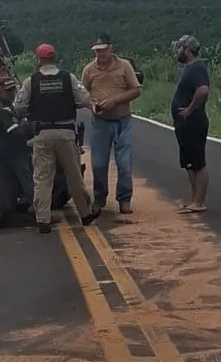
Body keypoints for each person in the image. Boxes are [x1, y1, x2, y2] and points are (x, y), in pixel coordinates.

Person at [13, 43, 96, 233]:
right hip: (66, 133)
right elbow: (84, 99)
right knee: (74, 176)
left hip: (42, 134)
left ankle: (43, 220)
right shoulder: (68, 78)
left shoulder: (31, 81)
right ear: (55, 57)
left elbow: (18, 107)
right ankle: (85, 213)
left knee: (42, 178)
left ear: (38, 59)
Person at [81, 34, 142, 215]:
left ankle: (124, 199)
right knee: (99, 163)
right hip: (100, 121)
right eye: (96, 51)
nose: (99, 55)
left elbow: (136, 90)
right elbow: (82, 93)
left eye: (102, 50)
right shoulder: (89, 69)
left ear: (111, 49)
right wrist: (91, 105)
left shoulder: (124, 66)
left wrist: (115, 100)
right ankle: (99, 198)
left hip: (123, 120)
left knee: (124, 163)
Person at [170, 35, 210, 213]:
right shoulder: (189, 68)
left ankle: (199, 201)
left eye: (179, 47)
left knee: (198, 163)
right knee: (190, 164)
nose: (177, 51)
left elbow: (203, 90)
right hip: (185, 124)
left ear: (186, 49)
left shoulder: (197, 68)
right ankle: (194, 200)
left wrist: (190, 109)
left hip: (193, 123)